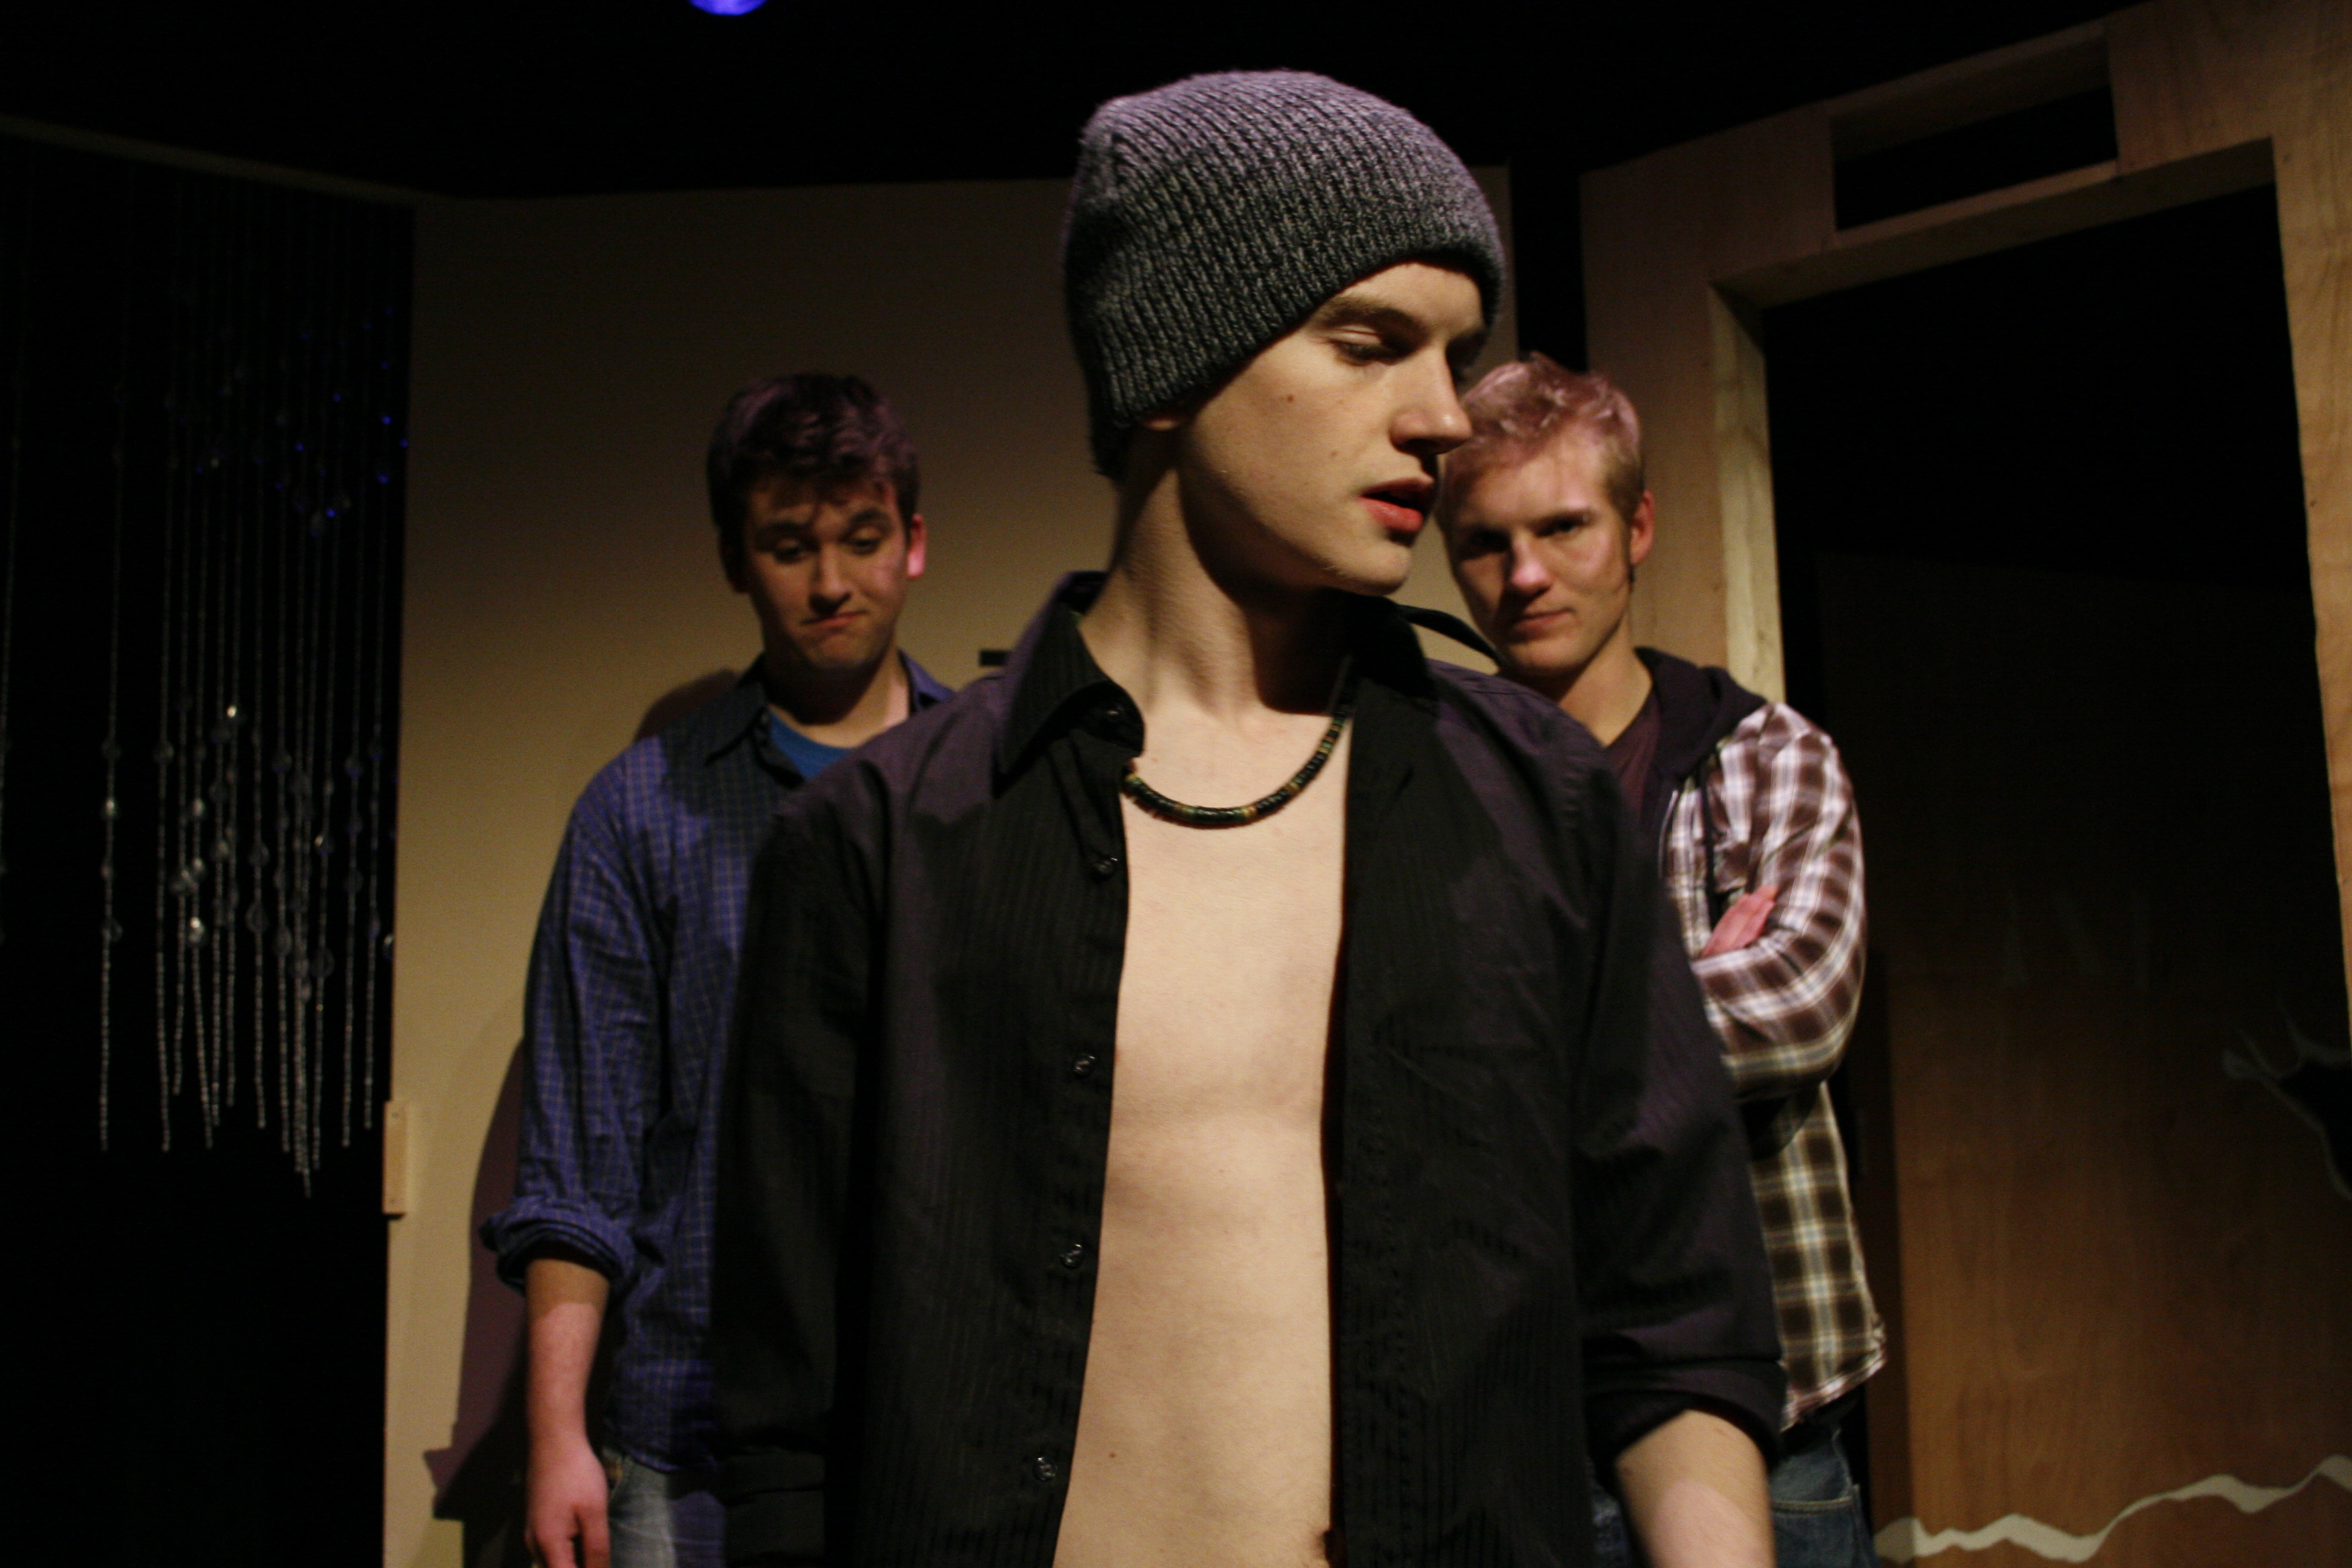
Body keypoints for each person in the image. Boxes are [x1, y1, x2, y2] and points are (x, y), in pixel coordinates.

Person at [713, 73, 1782, 1568]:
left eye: (1455, 354)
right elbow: (784, 1419)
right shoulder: (881, 844)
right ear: (1168, 361)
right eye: (1370, 343)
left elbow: (1678, 1323)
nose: (1442, 417)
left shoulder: (1542, 809)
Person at [481, 373, 952, 1568]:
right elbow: (579, 1158)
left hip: (942, 1418)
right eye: (790, 546)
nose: (831, 583)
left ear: (913, 542)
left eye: (861, 539)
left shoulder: (996, 788)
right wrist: (556, 1436)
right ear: (736, 559)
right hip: (695, 1430)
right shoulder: (641, 811)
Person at [1437, 354, 1882, 1568]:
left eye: (1563, 527)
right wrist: (1682, 991)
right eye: (1484, 542)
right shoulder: (1433, 786)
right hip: (1524, 1419)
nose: (1526, 575)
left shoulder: (1765, 758)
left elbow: (1800, 1006)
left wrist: (1517, 1021)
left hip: (1773, 1414)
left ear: (1636, 528)